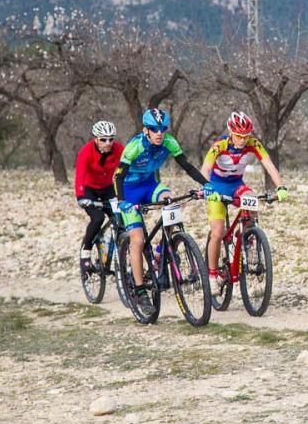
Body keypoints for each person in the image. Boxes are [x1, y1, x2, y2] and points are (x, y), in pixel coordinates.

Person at [114, 108, 213, 297]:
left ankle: (161, 250)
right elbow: (117, 176)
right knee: (138, 240)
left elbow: (187, 166)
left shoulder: (169, 142)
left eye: (162, 129)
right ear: (146, 130)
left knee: (171, 202)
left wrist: (207, 185)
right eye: (154, 129)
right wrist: (121, 202)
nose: (159, 133)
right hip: (129, 190)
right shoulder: (134, 147)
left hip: (150, 185)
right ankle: (140, 289)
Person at [201, 111, 288, 293]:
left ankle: (248, 240)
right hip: (217, 187)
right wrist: (206, 188)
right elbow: (206, 168)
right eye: (239, 136)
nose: (242, 140)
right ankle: (211, 275)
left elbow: (268, 164)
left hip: (236, 185)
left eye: (246, 136)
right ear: (231, 132)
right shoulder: (220, 145)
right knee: (217, 233)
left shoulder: (253, 144)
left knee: (252, 199)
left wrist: (280, 187)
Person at [74, 121, 124, 273]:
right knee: (98, 218)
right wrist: (81, 197)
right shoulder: (86, 151)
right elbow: (80, 176)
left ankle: (116, 254)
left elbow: (128, 169)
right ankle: (86, 252)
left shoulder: (119, 149)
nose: (108, 143)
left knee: (120, 218)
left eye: (111, 139)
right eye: (103, 139)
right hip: (90, 190)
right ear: (96, 139)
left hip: (109, 188)